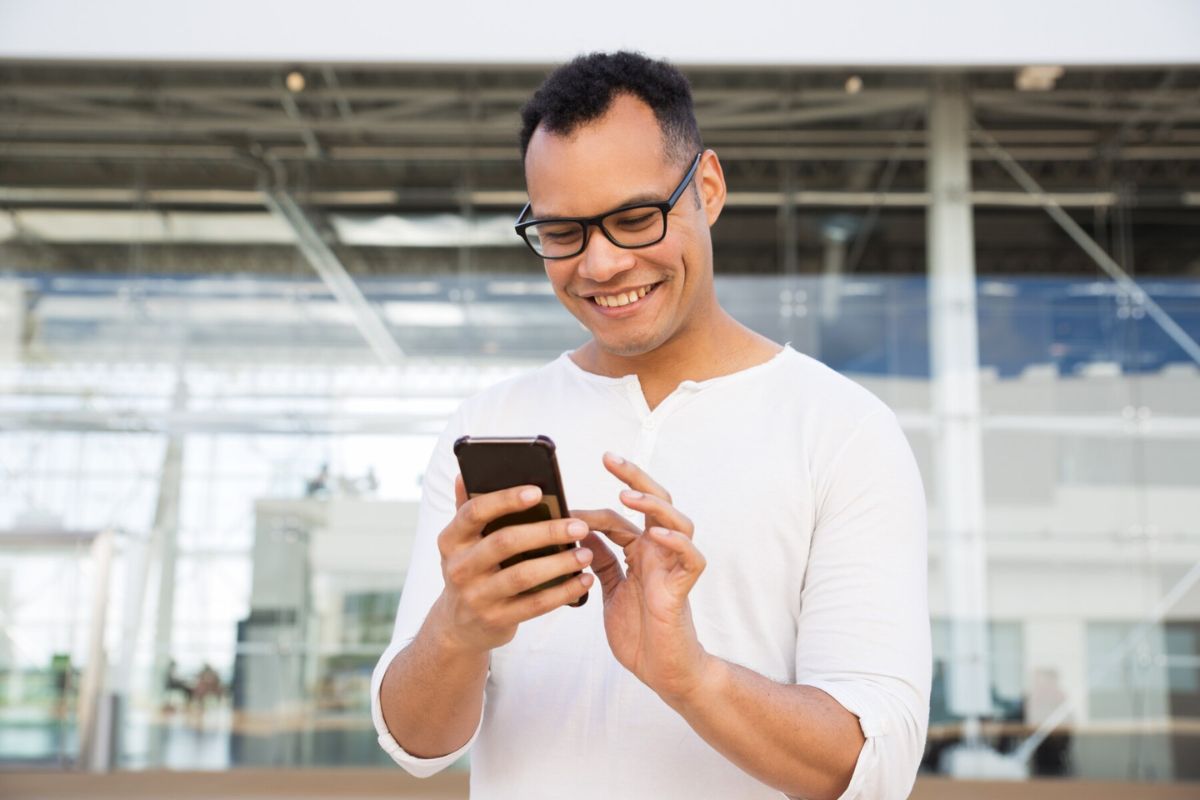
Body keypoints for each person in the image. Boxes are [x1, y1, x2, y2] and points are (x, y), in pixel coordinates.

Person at [371, 51, 930, 800]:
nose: (601, 264)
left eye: (635, 219)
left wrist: (690, 677)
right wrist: (455, 632)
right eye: (562, 232)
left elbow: (873, 767)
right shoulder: (489, 424)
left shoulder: (842, 431)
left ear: (707, 188)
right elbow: (416, 747)